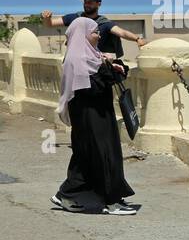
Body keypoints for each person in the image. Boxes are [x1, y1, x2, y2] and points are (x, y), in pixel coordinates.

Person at [50, 17, 138, 215]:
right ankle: (110, 202)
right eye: (95, 32)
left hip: (96, 115)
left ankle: (67, 193)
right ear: (83, 34)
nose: (99, 35)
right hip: (91, 117)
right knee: (103, 154)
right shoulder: (79, 59)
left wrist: (111, 67)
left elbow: (99, 79)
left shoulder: (90, 56)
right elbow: (91, 89)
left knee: (87, 157)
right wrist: (110, 71)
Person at [41, 0, 145, 59]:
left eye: (90, 2)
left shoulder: (104, 23)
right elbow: (50, 24)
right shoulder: (75, 17)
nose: (87, 4)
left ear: (98, 4)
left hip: (95, 66)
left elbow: (122, 32)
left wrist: (137, 39)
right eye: (85, 2)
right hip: (76, 63)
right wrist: (47, 18)